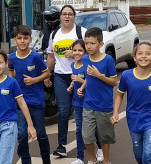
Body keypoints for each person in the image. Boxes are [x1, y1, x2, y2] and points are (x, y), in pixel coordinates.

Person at [111, 42, 151, 164]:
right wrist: (115, 113)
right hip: (134, 120)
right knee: (139, 156)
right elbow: (120, 95)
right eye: (140, 53)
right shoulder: (126, 75)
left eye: (148, 53)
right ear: (135, 57)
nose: (144, 56)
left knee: (148, 155)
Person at [44, 5, 87, 157]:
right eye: (64, 14)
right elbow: (51, 56)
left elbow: (91, 53)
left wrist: (76, 54)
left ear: (74, 16)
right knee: (63, 111)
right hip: (60, 76)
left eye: (70, 14)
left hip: (80, 77)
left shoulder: (81, 32)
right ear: (60, 17)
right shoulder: (54, 33)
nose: (67, 17)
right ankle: (61, 146)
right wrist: (47, 74)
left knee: (85, 111)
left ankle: (93, 143)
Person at [8, 25, 51, 164]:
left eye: (25, 38)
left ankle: (46, 160)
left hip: (36, 101)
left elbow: (46, 73)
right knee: (21, 134)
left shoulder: (36, 57)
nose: (22, 41)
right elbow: (10, 72)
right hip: (20, 102)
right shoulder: (12, 57)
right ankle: (26, 161)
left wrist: (34, 80)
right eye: (19, 38)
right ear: (15, 40)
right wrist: (11, 84)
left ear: (30, 40)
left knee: (41, 133)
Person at [77, 27, 117, 164]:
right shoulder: (85, 59)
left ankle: (106, 161)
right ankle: (92, 160)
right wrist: (81, 87)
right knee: (87, 136)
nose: (88, 46)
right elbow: (89, 78)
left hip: (104, 106)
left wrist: (99, 76)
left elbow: (114, 81)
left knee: (105, 137)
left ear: (100, 44)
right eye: (86, 43)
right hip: (88, 104)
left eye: (92, 43)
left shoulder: (108, 60)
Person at [66, 39, 86, 164]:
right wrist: (71, 85)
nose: (77, 53)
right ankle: (80, 158)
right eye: (74, 50)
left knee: (93, 130)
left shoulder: (88, 65)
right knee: (79, 129)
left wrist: (80, 80)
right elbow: (74, 79)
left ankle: (100, 148)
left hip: (89, 102)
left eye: (80, 50)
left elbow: (91, 83)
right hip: (77, 102)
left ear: (85, 52)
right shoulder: (73, 65)